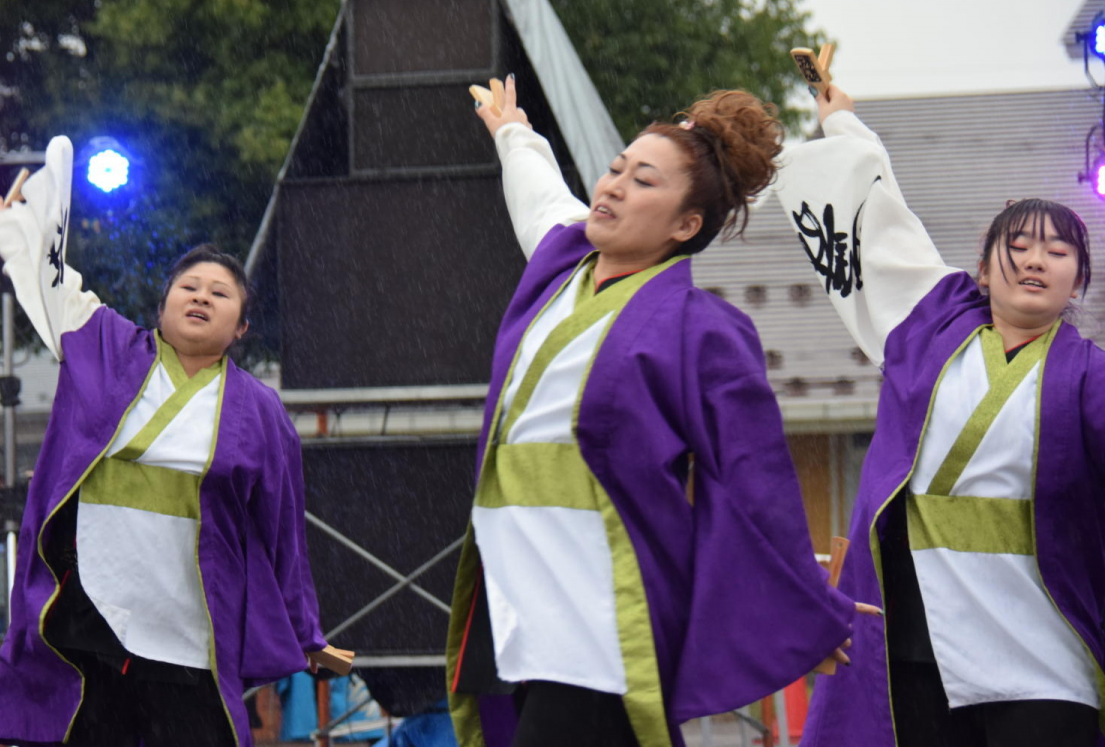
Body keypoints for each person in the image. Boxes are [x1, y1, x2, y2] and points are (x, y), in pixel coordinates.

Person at [445, 77, 868, 747]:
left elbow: (756, 482)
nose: (612, 186)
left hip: (601, 607)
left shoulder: (701, 330)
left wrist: (797, 616)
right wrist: (513, 134)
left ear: (685, 225)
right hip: (513, 597)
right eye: (615, 169)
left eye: (643, 181)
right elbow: (540, 196)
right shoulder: (559, 265)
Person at [775, 85, 1104, 747]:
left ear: (1080, 282)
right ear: (981, 271)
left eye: (1058, 250)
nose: (1036, 258)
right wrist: (839, 119)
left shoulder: (1092, 379)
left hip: (1046, 650)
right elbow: (882, 220)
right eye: (1018, 244)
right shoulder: (930, 326)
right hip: (920, 645)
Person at [0, 137, 334, 747]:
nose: (201, 295)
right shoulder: (105, 348)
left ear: (242, 328)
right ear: (163, 304)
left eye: (219, 293)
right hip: (88, 619)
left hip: (190, 634)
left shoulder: (260, 413)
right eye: (189, 287)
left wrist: (306, 634)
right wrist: (15, 228)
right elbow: (51, 284)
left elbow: (284, 534)